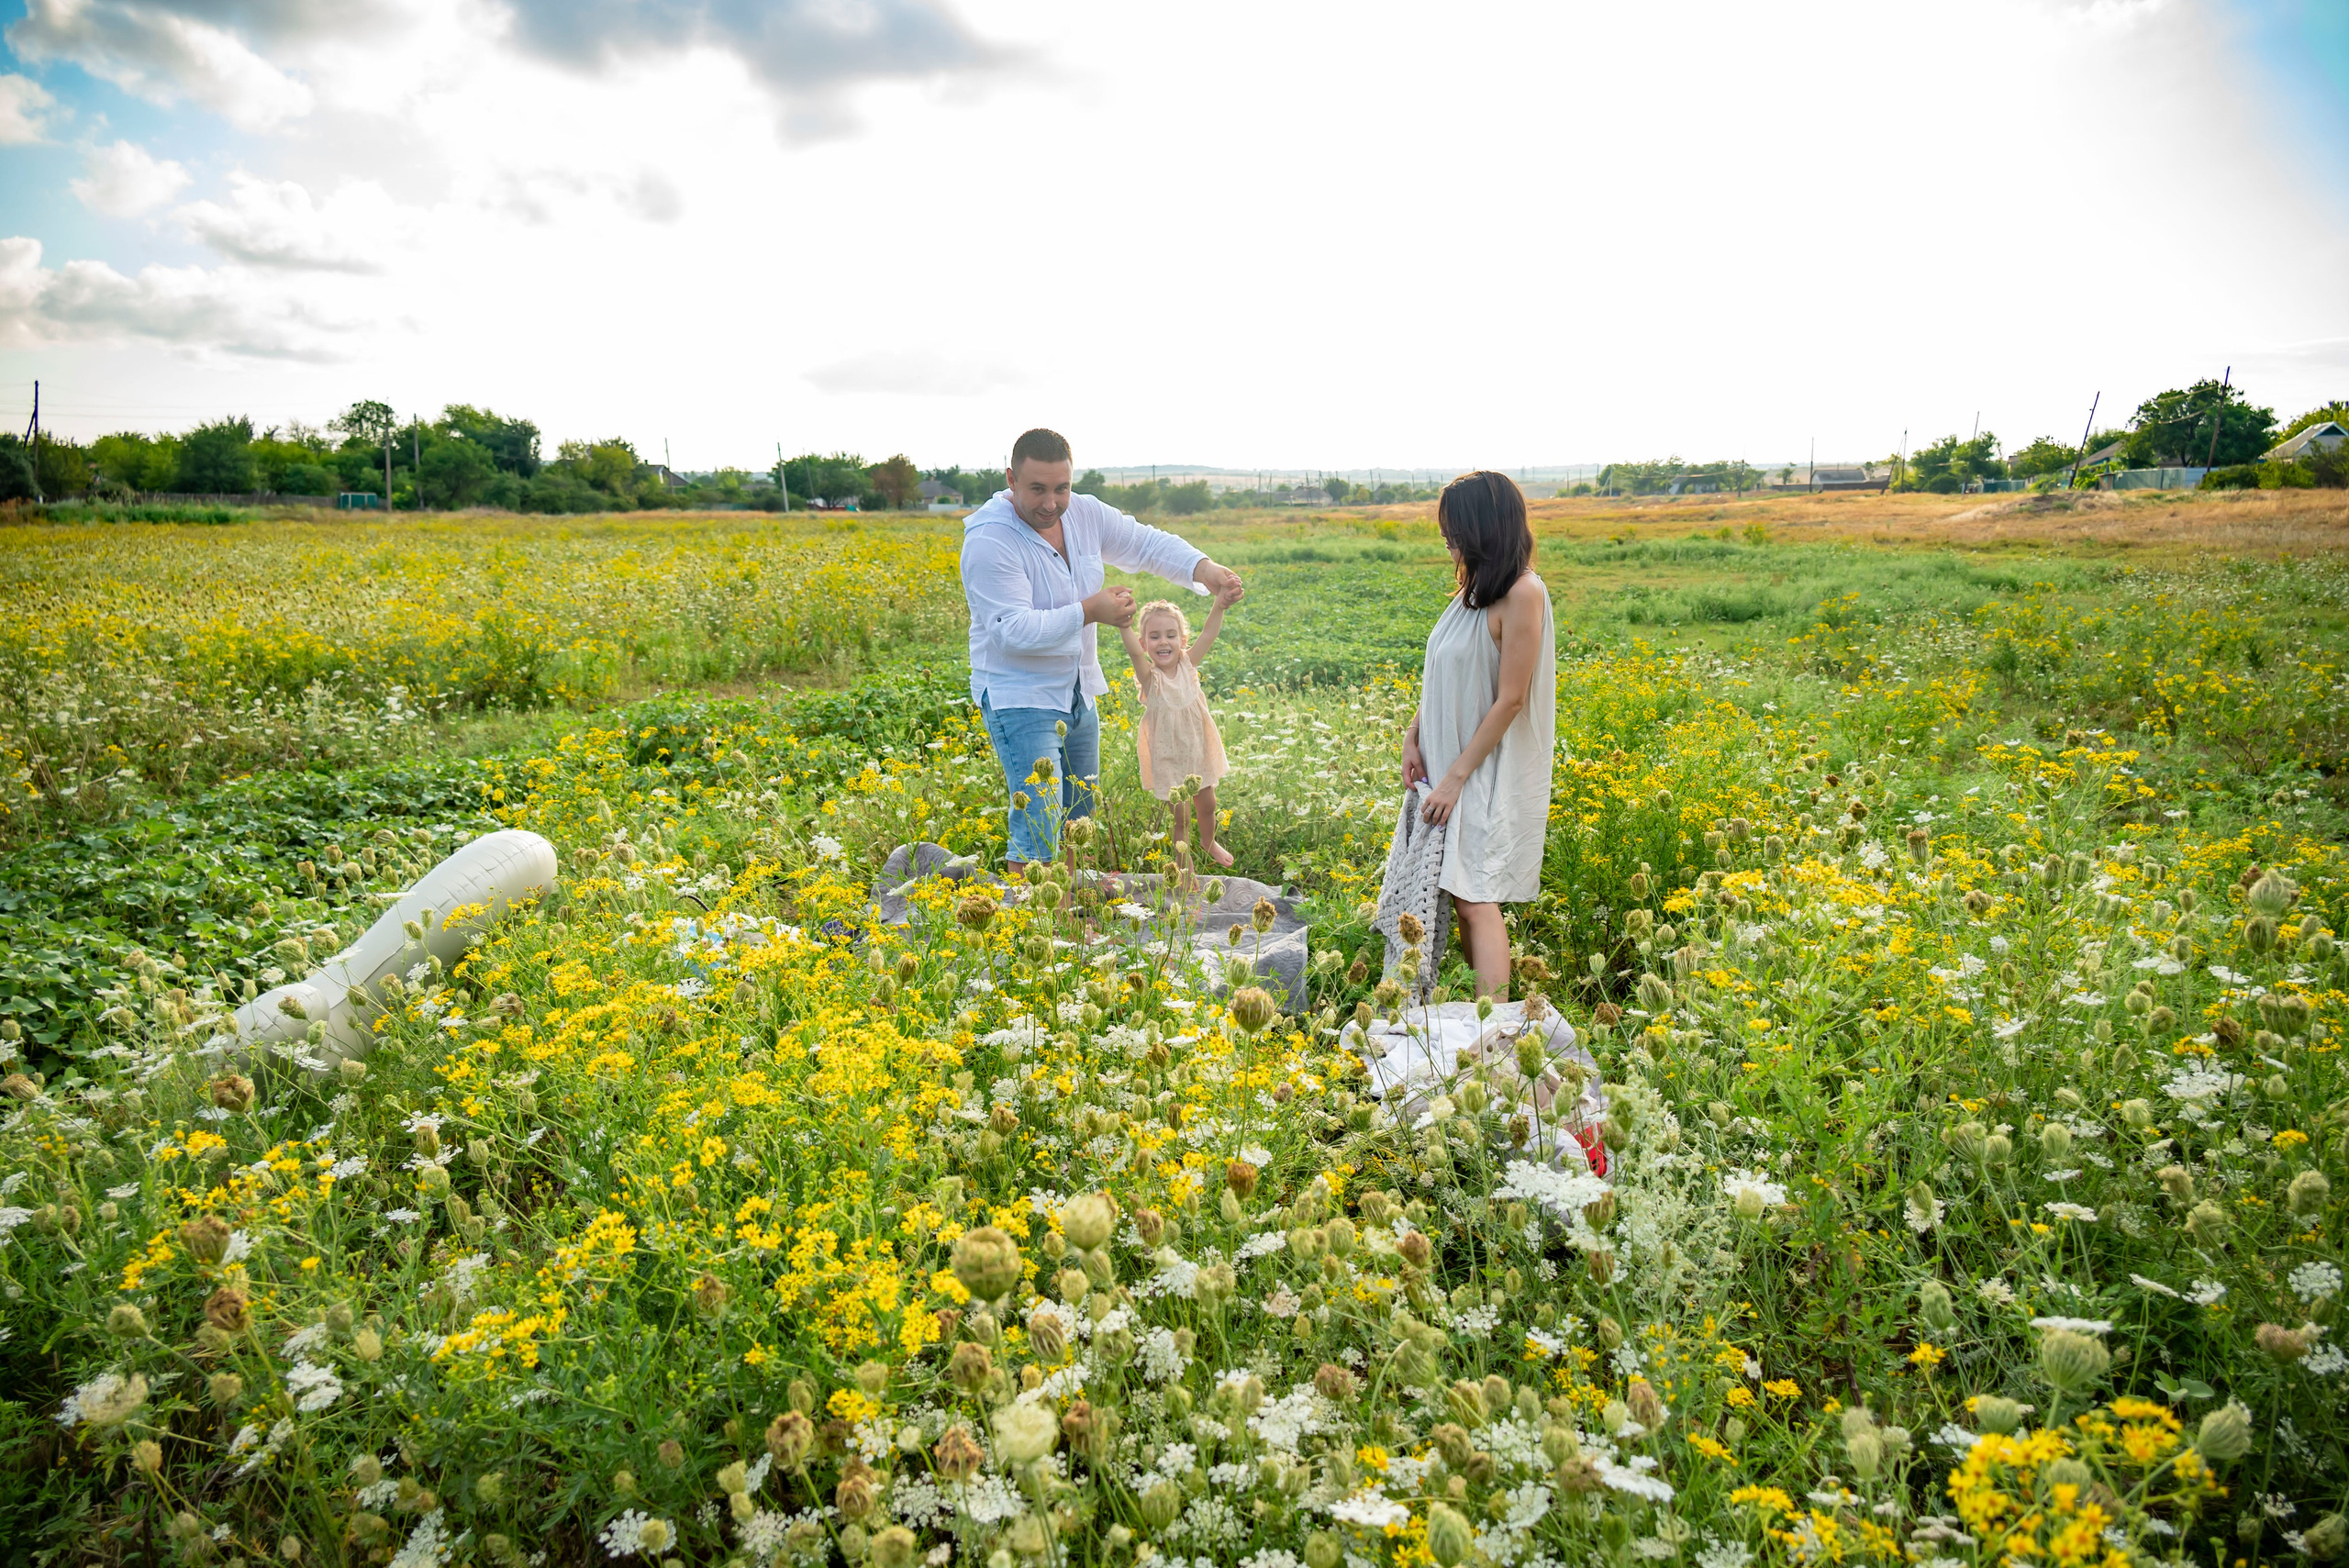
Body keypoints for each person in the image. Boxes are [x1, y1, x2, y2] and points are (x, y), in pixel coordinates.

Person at [962, 428, 1243, 871]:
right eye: (1037, 488)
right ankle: (1033, 923)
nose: (1051, 503)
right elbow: (1009, 630)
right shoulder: (989, 539)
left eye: (1062, 488)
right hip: (1022, 697)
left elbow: (1144, 542)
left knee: (1080, 813)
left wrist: (1201, 567)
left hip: (1077, 688)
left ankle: (1071, 907)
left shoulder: (1086, 514)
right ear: (1011, 480)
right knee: (1040, 816)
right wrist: (1089, 610)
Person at [1400, 470, 1556, 998]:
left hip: (1483, 767)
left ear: (1485, 525)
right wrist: (1413, 735)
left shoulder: (1522, 593)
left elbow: (1511, 697)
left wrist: (1456, 778)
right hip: (1447, 762)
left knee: (1475, 893)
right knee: (1457, 890)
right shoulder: (1471, 590)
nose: (1448, 538)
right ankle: (1477, 1011)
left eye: (1455, 527)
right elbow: (1444, 675)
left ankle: (1494, 1026)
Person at [1118, 588, 1237, 868]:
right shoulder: (1150, 679)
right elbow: (1133, 653)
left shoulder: (1188, 663)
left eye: (1171, 635)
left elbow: (1209, 633)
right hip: (1168, 759)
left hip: (1198, 750)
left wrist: (1219, 605)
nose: (1163, 642)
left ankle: (1208, 841)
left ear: (1182, 641)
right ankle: (1184, 870)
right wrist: (1124, 624)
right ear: (1144, 643)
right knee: (1181, 818)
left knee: (1208, 805)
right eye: (1154, 636)